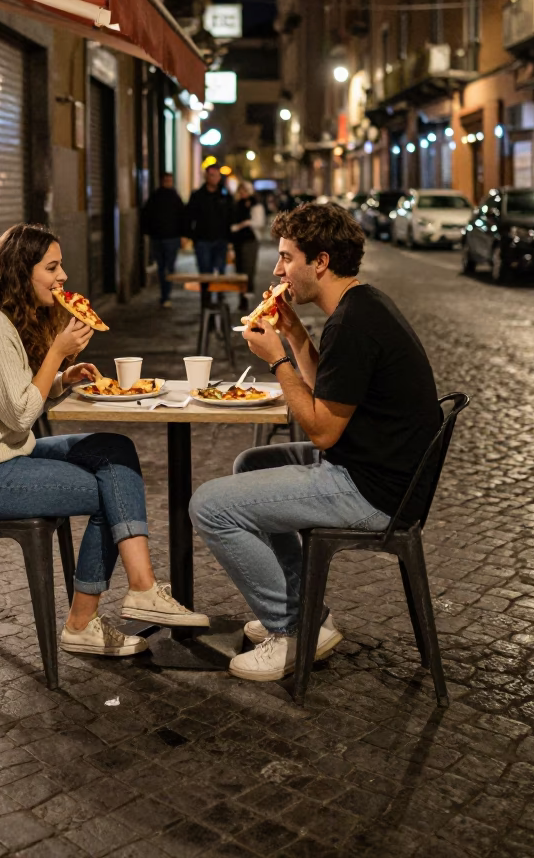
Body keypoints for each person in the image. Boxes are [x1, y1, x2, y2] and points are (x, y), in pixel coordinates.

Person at [189, 201, 440, 683]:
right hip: (376, 468)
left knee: (210, 506)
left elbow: (322, 429)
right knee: (250, 463)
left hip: (375, 491)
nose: (278, 269)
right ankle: (304, 611)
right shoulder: (360, 305)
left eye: (286, 257)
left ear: (319, 261)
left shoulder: (353, 324)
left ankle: (293, 631)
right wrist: (294, 331)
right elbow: (330, 385)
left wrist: (277, 359)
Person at [0, 223, 208, 658]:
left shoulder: (5, 321)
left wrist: (61, 378)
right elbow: (23, 412)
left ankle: (142, 588)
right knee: (105, 491)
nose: (63, 278)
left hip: (3, 452)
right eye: (52, 267)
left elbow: (17, 396)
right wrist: (58, 352)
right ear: (21, 272)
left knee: (115, 449)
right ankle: (83, 623)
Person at [141, 171, 186, 308]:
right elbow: (147, 215)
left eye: (169, 180)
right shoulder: (155, 197)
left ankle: (166, 295)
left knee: (169, 267)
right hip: (158, 237)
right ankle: (164, 294)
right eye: (166, 179)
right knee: (162, 267)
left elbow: (182, 217)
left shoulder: (175, 197)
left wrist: (182, 235)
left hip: (171, 238)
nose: (168, 182)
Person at [186, 163, 231, 274]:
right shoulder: (197, 195)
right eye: (211, 175)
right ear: (206, 176)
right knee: (205, 271)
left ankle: (220, 291)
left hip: (221, 238)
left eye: (217, 175)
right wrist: (190, 236)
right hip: (202, 239)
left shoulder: (225, 195)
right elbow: (189, 216)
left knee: (221, 270)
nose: (215, 178)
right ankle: (206, 292)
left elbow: (230, 216)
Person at [229, 181, 266, 309]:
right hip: (237, 241)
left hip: (250, 240)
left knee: (248, 270)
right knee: (239, 269)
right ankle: (241, 297)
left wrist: (245, 223)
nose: (242, 193)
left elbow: (259, 222)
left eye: (245, 191)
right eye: (241, 191)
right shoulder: (236, 204)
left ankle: (246, 296)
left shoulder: (255, 205)